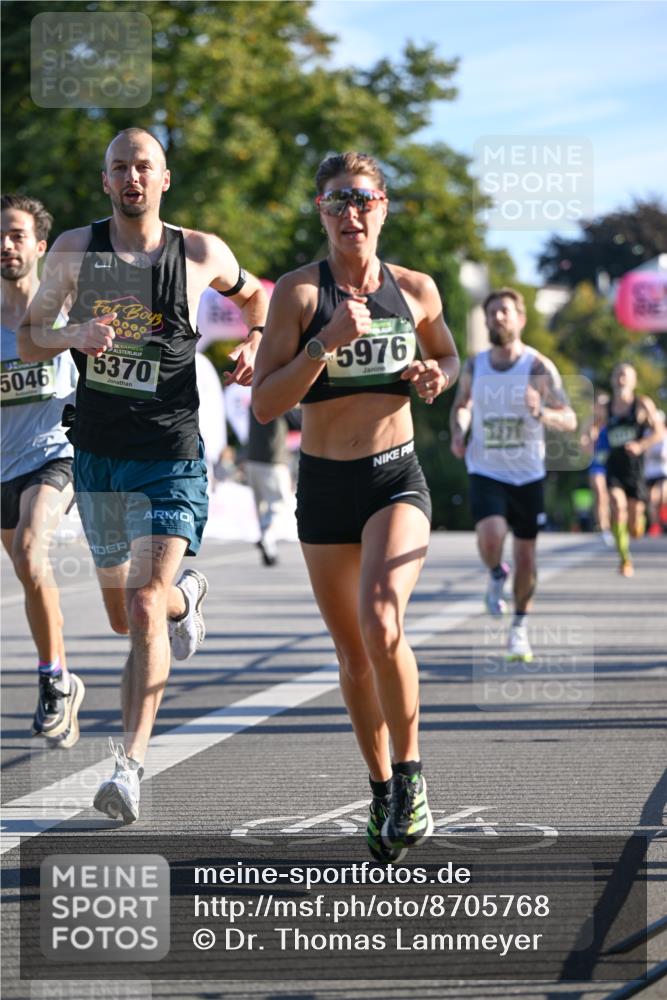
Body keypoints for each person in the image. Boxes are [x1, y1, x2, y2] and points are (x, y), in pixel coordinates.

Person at [18, 128, 268, 822]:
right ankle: (190, 592)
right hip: (99, 452)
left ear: (165, 179)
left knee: (140, 604)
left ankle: (127, 767)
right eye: (119, 167)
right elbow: (30, 333)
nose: (132, 176)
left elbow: (257, 303)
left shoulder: (199, 252)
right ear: (106, 182)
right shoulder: (73, 249)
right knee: (122, 613)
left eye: (144, 166)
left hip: (171, 453)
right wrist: (74, 335)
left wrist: (252, 345)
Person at [252, 151, 459, 862]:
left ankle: (410, 774)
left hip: (394, 478)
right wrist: (320, 347)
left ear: (383, 207)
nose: (351, 213)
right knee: (352, 656)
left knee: (381, 619)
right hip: (323, 486)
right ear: (320, 210)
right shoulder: (299, 295)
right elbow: (264, 403)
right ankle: (378, 788)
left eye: (363, 199)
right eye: (337, 200)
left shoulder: (416, 289)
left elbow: (447, 359)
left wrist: (435, 377)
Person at [450, 286, 576, 662]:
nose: (497, 318)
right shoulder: (476, 364)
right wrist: (459, 429)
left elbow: (568, 418)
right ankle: (494, 574)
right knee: (491, 538)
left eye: (504, 311)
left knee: (527, 559)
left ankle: (519, 629)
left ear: (520, 319)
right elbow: (462, 405)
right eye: (491, 313)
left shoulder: (537, 367)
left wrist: (541, 413)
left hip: (527, 475)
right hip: (486, 469)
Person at [1, 193, 83, 748]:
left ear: (40, 246)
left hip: (56, 455)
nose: (5, 246)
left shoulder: (66, 306)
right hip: (3, 466)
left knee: (33, 552)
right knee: (29, 576)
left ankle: (52, 681)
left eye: (15, 235)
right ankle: (65, 676)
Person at [605, 362, 662, 576]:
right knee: (617, 506)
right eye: (617, 374)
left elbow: (659, 432)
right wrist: (587, 439)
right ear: (612, 379)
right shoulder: (605, 406)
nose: (621, 378)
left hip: (636, 469)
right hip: (615, 466)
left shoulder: (642, 404)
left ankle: (638, 520)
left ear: (633, 381)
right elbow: (589, 428)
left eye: (625, 375)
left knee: (633, 524)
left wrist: (641, 445)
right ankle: (625, 560)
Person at [246, 407, 300, 566]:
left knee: (262, 507)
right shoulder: (280, 401)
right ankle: (267, 538)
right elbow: (299, 422)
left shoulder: (254, 402)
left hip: (253, 459)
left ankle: (270, 549)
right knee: (279, 504)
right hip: (274, 460)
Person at [587, 393, 613, 547]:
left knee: (612, 497)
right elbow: (584, 444)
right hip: (597, 462)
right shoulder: (593, 425)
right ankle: (603, 527)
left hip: (613, 463)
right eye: (599, 405)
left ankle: (614, 524)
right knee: (600, 492)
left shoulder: (614, 421)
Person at [644, 409, 667, 537]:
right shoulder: (647, 434)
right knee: (652, 500)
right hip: (650, 472)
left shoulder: (665, 434)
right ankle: (655, 524)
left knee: (663, 495)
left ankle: (664, 519)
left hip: (663, 471)